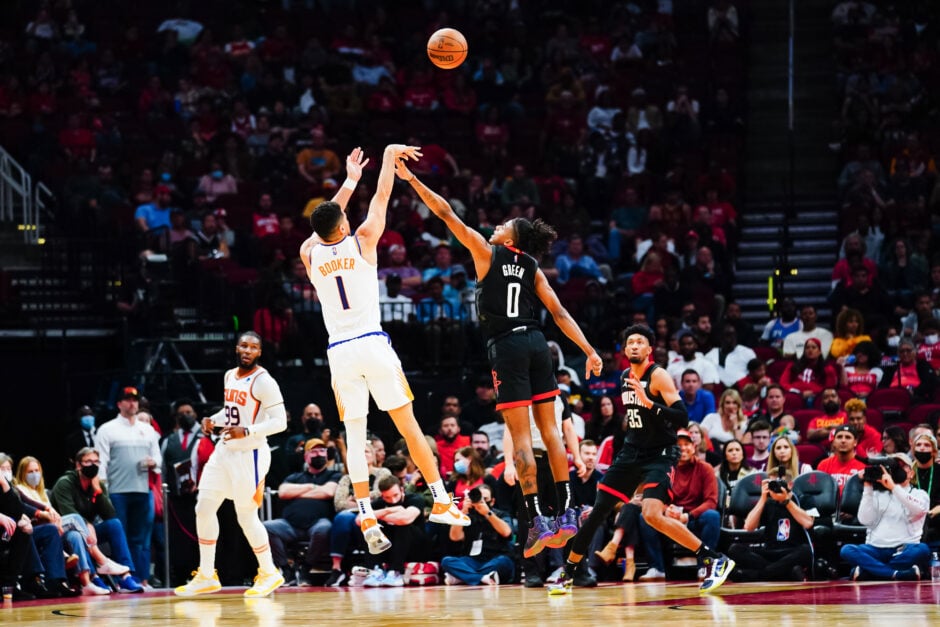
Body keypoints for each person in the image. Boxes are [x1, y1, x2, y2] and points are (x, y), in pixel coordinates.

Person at [395, 157, 603, 559]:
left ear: (510, 240)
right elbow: (559, 313)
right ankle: (569, 511)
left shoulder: (485, 253)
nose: (495, 226)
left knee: (523, 438)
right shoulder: (532, 266)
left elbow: (444, 212)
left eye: (503, 226)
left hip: (506, 346)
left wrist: (412, 179)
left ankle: (538, 518)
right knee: (553, 435)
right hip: (538, 344)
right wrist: (590, 351)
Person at [300, 144, 470, 565]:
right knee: (408, 425)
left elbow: (324, 221)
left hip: (339, 352)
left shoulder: (309, 252)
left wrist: (347, 183)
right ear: (343, 225)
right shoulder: (363, 242)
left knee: (355, 437)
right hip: (371, 343)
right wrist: (387, 159)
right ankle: (441, 498)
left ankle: (365, 516)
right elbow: (382, 199)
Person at [548, 325, 735, 593]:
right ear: (625, 350)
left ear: (649, 350)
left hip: (660, 454)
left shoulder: (658, 376)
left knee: (651, 514)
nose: (634, 345)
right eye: (630, 342)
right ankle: (569, 572)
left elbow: (682, 417)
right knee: (598, 510)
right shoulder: (624, 376)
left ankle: (714, 558)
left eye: (640, 342)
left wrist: (649, 403)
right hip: (632, 453)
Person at [174, 331, 289, 598]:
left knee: (246, 516)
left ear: (259, 352)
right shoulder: (229, 375)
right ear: (237, 348)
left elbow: (280, 421)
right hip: (224, 451)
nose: (248, 350)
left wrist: (247, 430)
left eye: (253, 347)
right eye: (244, 346)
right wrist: (212, 420)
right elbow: (230, 412)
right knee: (203, 507)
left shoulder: (264, 381)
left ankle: (270, 572)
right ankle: (206, 574)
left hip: (251, 454)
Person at [94, 386, 162, 590]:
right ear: (119, 404)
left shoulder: (148, 430)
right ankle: (124, 577)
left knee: (140, 539)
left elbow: (157, 457)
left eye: (135, 400)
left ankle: (141, 579)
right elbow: (101, 463)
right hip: (117, 492)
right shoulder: (107, 429)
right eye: (127, 400)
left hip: (142, 490)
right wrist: (103, 490)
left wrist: (153, 463)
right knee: (120, 536)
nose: (132, 403)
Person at [50, 447, 145, 593]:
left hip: (90, 534)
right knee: (77, 535)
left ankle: (125, 577)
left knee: (114, 524)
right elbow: (68, 513)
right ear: (78, 465)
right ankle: (94, 578)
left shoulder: (97, 484)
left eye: (96, 461)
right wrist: (88, 525)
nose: (93, 465)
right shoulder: (65, 483)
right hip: (65, 533)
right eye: (88, 461)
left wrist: (98, 491)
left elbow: (110, 514)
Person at [638, 428, 722, 582]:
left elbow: (711, 501)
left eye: (686, 444)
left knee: (712, 516)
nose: (683, 448)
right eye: (678, 444)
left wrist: (687, 516)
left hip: (694, 518)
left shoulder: (705, 468)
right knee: (645, 516)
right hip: (668, 519)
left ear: (694, 447)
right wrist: (665, 510)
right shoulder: (663, 470)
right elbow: (655, 498)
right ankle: (656, 568)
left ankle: (705, 565)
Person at [840, 452, 930, 581]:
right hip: (875, 550)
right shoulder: (877, 494)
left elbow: (918, 509)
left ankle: (869, 572)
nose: (896, 470)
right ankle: (896, 574)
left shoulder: (920, 494)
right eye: (893, 467)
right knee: (847, 550)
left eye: (902, 466)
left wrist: (893, 487)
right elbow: (865, 520)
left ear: (911, 473)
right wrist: (868, 487)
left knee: (922, 549)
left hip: (903, 550)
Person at [263, 438, 342, 580]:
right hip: (290, 525)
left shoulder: (334, 475)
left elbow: (328, 492)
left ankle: (306, 567)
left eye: (322, 451)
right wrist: (312, 487)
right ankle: (286, 569)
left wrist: (298, 492)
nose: (319, 454)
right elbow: (283, 492)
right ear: (306, 456)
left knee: (324, 528)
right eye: (314, 451)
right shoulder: (295, 476)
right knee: (266, 527)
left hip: (317, 523)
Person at [727, 467, 814, 582]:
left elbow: (808, 523)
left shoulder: (804, 499)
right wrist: (763, 498)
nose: (775, 487)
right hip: (770, 552)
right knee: (735, 549)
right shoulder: (768, 503)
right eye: (772, 484)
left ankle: (757, 575)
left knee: (806, 551)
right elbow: (749, 527)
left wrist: (786, 502)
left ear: (790, 485)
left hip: (791, 551)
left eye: (778, 484)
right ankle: (785, 574)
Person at [440, 484, 514, 586]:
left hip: (495, 559)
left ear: (492, 501)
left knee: (504, 562)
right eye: (479, 498)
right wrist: (463, 512)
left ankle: (464, 577)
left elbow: (506, 532)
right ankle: (482, 577)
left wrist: (487, 513)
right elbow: (455, 537)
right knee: (447, 561)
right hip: (472, 560)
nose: (481, 501)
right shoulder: (467, 517)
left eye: (485, 499)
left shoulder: (501, 514)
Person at [817, 425, 866, 494]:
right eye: (839, 437)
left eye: (848, 437)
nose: (843, 440)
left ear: (855, 442)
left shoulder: (863, 467)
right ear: (834, 441)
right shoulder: (823, 465)